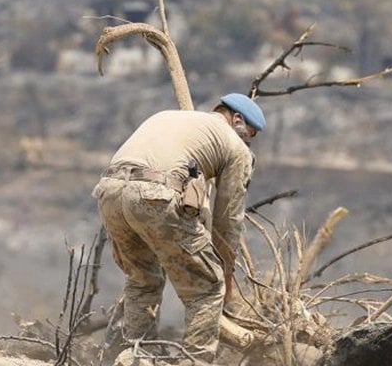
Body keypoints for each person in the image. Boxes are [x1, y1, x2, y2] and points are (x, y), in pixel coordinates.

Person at [93, 94, 264, 365]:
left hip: (109, 191)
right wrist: (224, 271)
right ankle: (195, 361)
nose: (248, 141)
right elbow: (227, 220)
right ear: (238, 119)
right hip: (155, 193)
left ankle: (137, 355)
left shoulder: (169, 116)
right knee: (207, 286)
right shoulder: (235, 146)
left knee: (142, 279)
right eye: (249, 135)